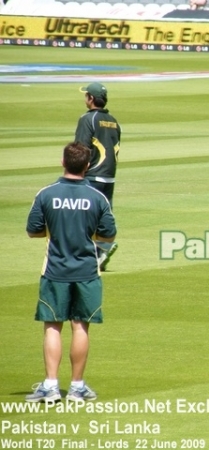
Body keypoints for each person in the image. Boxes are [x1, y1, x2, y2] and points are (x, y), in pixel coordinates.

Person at [25, 142, 117, 403]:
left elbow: (33, 230)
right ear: (87, 166)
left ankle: (51, 386)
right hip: (87, 271)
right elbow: (108, 234)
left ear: (63, 161)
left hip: (55, 270)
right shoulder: (97, 197)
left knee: (53, 326)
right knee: (80, 326)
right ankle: (77, 388)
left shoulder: (46, 194)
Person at [76, 82, 121, 270]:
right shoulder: (113, 121)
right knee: (102, 216)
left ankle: (94, 254)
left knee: (81, 217)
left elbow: (81, 149)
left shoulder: (88, 119)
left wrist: (76, 173)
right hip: (109, 177)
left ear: (91, 99)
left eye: (86, 95)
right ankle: (101, 250)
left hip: (91, 175)